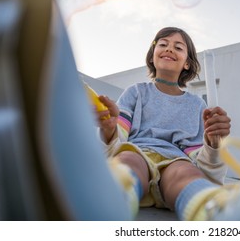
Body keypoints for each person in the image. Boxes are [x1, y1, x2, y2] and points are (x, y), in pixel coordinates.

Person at [95, 26, 232, 220]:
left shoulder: (198, 105)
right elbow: (117, 140)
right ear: (152, 56)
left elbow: (202, 163)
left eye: (178, 47)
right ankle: (110, 205)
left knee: (185, 172)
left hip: (176, 161)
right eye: (163, 44)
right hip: (137, 152)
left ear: (187, 63)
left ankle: (211, 212)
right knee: (128, 161)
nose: (169, 49)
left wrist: (213, 143)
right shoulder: (135, 92)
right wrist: (109, 129)